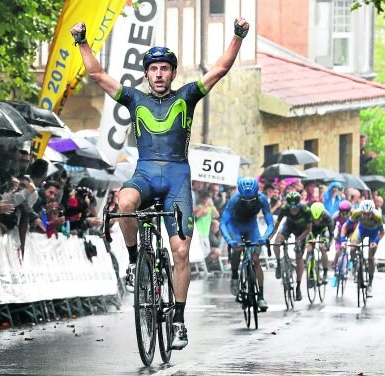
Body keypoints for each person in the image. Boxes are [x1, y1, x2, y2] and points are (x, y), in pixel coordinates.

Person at [71, 16, 250, 350]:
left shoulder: (187, 96)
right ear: (146, 74)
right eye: (153, 69)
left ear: (172, 73)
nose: (158, 74)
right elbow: (96, 74)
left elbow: (220, 69)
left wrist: (238, 36)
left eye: (164, 68)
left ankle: (179, 321)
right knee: (124, 204)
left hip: (178, 179)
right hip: (145, 174)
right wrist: (81, 41)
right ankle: (136, 259)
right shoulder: (134, 99)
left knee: (180, 250)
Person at [219, 177, 274, 311]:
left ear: (256, 194)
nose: (249, 203)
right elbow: (223, 223)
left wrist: (265, 237)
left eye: (251, 199)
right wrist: (229, 240)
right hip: (235, 226)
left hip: (251, 226)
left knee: (256, 260)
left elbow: (270, 223)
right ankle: (234, 275)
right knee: (237, 249)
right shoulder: (234, 199)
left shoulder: (262, 199)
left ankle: (260, 296)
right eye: (245, 199)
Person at [268, 191, 312, 302]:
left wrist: (299, 239)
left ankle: (298, 287)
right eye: (291, 208)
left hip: (302, 230)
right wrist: (269, 238)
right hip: (289, 226)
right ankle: (279, 264)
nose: (293, 210)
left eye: (295, 208)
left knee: (299, 256)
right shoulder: (284, 208)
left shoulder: (306, 210)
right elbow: (276, 226)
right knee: (277, 242)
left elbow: (308, 229)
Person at [340, 199, 384, 297]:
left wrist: (376, 242)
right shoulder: (356, 213)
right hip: (361, 231)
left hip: (373, 234)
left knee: (370, 257)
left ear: (372, 212)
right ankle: (354, 264)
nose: (366, 216)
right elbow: (345, 226)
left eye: (368, 214)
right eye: (364, 214)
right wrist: (342, 240)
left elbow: (382, 232)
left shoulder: (377, 216)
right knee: (352, 247)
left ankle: (370, 284)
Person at [330, 200, 356, 287]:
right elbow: (332, 229)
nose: (345, 216)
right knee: (338, 251)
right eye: (342, 213)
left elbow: (358, 228)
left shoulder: (354, 214)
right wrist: (332, 238)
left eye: (346, 213)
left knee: (353, 245)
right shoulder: (335, 216)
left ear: (350, 211)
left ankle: (352, 260)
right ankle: (336, 272)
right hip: (341, 231)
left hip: (352, 230)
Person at [306, 202, 333, 284]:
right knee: (309, 248)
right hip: (311, 230)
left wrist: (328, 244)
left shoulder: (328, 217)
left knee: (322, 247)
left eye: (318, 219)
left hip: (323, 231)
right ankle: (310, 273)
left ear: (322, 215)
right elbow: (305, 230)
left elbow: (331, 233)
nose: (316, 221)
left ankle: (325, 272)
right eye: (314, 219)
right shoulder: (307, 215)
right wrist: (307, 242)